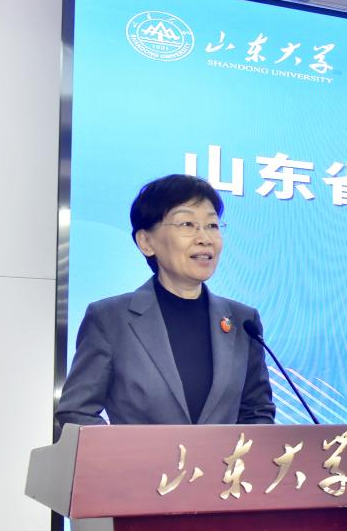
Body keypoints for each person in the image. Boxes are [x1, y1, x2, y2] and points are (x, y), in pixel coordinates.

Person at [55, 174, 275, 428]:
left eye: (212, 225)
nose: (205, 238)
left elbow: (258, 412)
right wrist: (123, 451)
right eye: (187, 224)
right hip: (138, 456)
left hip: (225, 457)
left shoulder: (243, 321)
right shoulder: (110, 319)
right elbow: (75, 412)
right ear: (146, 242)